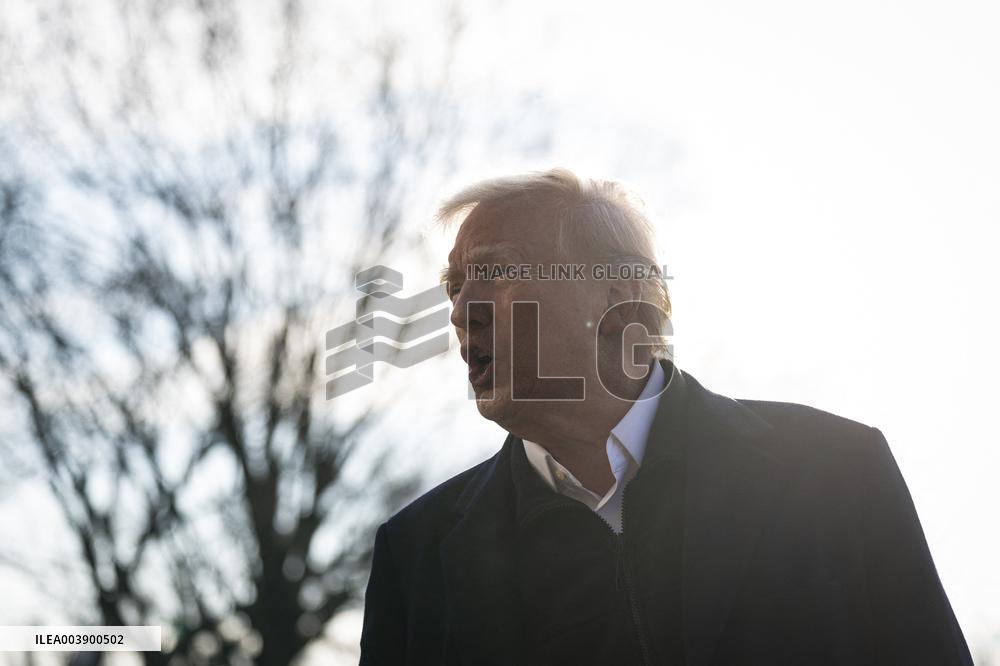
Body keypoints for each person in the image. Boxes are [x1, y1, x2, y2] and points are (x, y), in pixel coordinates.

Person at [358, 168, 973, 665]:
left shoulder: (836, 471)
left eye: (495, 272)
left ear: (620, 295)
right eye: (454, 287)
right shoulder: (416, 556)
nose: (461, 310)